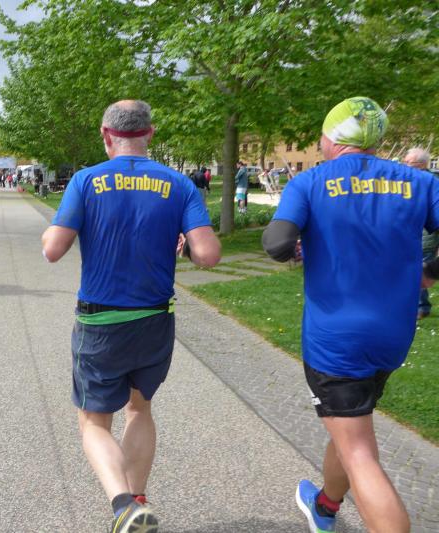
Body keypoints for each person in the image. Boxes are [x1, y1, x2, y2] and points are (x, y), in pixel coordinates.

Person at [42, 100, 221, 533]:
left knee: (93, 421)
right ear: (150, 134)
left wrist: (53, 231)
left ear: (107, 134)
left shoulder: (86, 180)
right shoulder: (179, 184)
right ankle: (138, 498)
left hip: (101, 324)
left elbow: (53, 250)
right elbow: (208, 254)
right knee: (140, 409)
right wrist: (184, 245)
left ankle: (124, 506)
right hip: (155, 320)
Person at [262, 97, 439, 533]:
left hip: (335, 340)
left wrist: (298, 248)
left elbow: (276, 243)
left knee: (360, 452)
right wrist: (429, 275)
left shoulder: (310, 182)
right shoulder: (420, 182)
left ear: (331, 138)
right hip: (392, 337)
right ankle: (325, 507)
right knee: (350, 428)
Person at [403, 147, 438, 319]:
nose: (405, 166)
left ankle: (421, 308)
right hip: (410, 236)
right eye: (405, 162)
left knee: (419, 272)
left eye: (410, 163)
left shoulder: (430, 183)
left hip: (425, 238)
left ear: (422, 164)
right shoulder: (407, 182)